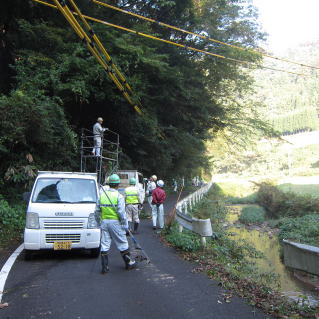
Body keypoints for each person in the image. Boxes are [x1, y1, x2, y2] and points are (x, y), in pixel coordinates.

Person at [99, 174, 137, 274]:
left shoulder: (102, 195)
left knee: (105, 244)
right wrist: (125, 224)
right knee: (122, 242)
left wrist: (98, 221)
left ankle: (104, 267)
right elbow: (121, 212)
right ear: (118, 184)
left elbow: (97, 211)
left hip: (104, 222)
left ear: (109, 184)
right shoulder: (119, 196)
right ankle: (129, 263)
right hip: (115, 222)